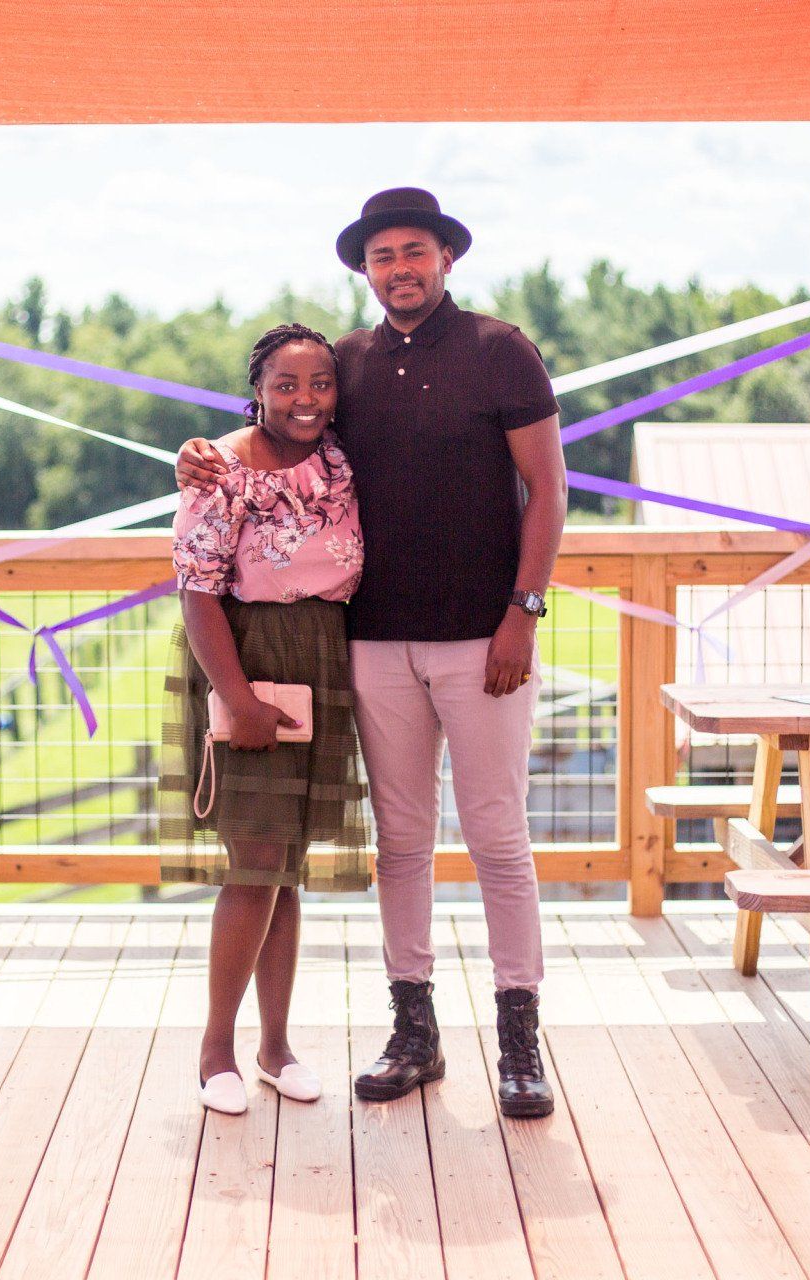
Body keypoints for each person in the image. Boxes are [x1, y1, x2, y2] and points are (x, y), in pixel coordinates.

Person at [178, 188, 567, 1118]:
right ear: (365, 267)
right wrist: (197, 456)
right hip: (374, 643)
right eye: (384, 254)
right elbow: (282, 436)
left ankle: (520, 1042)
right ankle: (415, 1034)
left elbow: (548, 488)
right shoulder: (344, 364)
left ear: (446, 259)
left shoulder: (502, 352)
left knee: (499, 840)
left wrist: (524, 610)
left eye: (417, 251)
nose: (401, 267)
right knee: (401, 844)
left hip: (486, 639)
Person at [159, 322, 372, 1116]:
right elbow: (197, 592)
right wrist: (240, 697)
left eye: (320, 383)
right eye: (287, 385)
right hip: (246, 655)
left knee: (285, 868)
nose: (306, 399)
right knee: (253, 859)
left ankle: (275, 1048)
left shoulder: (340, 460)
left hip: (321, 652)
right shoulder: (221, 471)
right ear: (258, 390)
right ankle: (216, 1049)